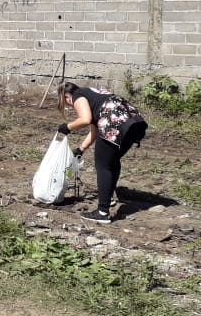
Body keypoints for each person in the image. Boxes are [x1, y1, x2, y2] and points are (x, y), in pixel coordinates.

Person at [58, 82, 148, 224]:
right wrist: (81, 148)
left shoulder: (78, 95)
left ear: (67, 96)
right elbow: (95, 129)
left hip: (114, 122)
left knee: (103, 165)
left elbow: (85, 119)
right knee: (112, 161)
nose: (72, 106)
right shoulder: (94, 94)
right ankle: (108, 198)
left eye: (68, 103)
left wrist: (67, 127)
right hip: (133, 122)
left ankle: (102, 212)